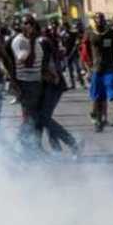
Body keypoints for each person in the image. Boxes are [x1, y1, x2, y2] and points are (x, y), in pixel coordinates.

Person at [38, 25, 79, 154]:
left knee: (44, 117)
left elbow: (50, 71)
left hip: (54, 85)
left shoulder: (42, 44)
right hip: (48, 84)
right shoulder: (41, 43)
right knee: (45, 117)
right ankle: (57, 149)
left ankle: (72, 143)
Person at [12, 16, 46, 150]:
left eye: (31, 23)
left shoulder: (34, 41)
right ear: (21, 25)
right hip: (26, 83)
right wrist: (31, 41)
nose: (29, 25)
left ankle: (32, 147)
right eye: (25, 23)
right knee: (30, 118)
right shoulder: (20, 41)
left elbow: (39, 62)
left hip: (36, 82)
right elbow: (28, 63)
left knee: (34, 117)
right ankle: (18, 145)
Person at [85, 12, 113, 132]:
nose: (100, 21)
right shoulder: (89, 32)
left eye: (101, 18)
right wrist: (88, 66)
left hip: (110, 67)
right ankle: (98, 120)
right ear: (94, 20)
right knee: (97, 96)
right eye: (97, 19)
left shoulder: (111, 32)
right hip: (97, 68)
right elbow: (85, 50)